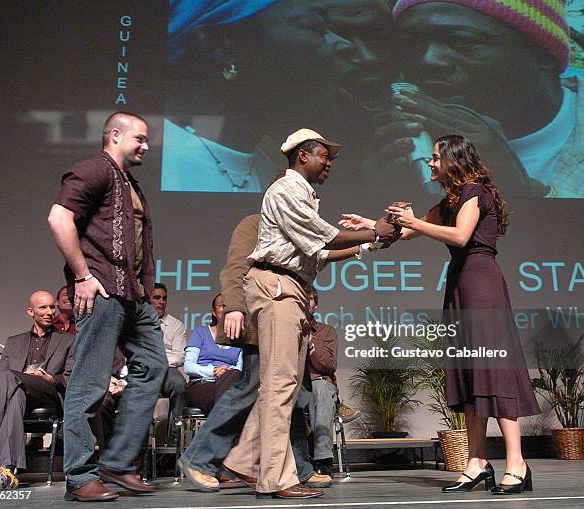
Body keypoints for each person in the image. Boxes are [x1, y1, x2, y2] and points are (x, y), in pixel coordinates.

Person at [341, 134, 541, 494]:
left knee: (493, 370)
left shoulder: (474, 191)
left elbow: (462, 236)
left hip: (481, 284)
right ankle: (477, 461)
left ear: (454, 159)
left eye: (434, 157)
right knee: (469, 372)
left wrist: (415, 223)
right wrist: (371, 225)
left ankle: (517, 463)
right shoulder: (451, 199)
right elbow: (407, 232)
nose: (430, 163)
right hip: (461, 284)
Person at [221, 128, 400, 499]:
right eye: (324, 156)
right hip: (277, 288)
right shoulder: (287, 189)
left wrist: (370, 243)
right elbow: (325, 238)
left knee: (281, 382)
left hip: (291, 289)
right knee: (281, 384)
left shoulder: (304, 193)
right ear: (303, 155)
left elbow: (318, 253)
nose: (329, 163)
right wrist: (372, 230)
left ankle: (242, 461)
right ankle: (276, 478)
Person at [178, 210, 353, 492]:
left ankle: (300, 467)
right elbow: (236, 267)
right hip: (262, 320)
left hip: (290, 321)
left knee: (295, 393)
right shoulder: (256, 224)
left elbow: (318, 256)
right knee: (250, 387)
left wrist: (367, 244)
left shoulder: (295, 228)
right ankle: (200, 459)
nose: (311, 203)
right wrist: (233, 306)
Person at [48, 111, 168, 502]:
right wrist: (82, 276)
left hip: (133, 295)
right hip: (102, 292)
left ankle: (116, 462)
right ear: (115, 135)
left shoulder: (128, 181)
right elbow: (59, 217)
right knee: (91, 382)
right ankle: (80, 477)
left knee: (154, 365)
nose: (146, 146)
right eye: (140, 139)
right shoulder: (94, 170)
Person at [162, 0, 399, 192]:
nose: (344, 44)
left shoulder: (268, 168)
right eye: (315, 27)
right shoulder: (164, 164)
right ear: (218, 45)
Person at [368, 0, 581, 198]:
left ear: (543, 55)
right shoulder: (400, 142)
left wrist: (518, 193)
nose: (428, 60)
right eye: (411, 46)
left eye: (464, 42)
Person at [0, 291, 73, 491]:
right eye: (42, 307)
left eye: (52, 307)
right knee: (14, 393)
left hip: (48, 394)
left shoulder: (67, 340)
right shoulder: (14, 341)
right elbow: (1, 379)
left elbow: (71, 378)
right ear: (30, 311)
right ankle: (7, 472)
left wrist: (51, 378)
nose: (49, 312)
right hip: (20, 392)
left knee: (10, 377)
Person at [184, 294, 243, 415]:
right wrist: (213, 371)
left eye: (229, 306)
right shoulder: (200, 332)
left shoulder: (240, 339)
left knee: (234, 378)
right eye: (222, 306)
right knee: (221, 397)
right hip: (203, 383)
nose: (226, 309)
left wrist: (226, 372)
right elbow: (188, 366)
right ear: (214, 312)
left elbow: (240, 368)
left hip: (230, 384)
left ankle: (215, 429)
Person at [307, 288, 339, 478]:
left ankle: (322, 459)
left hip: (318, 381)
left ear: (315, 305)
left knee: (319, 388)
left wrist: (312, 347)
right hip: (291, 384)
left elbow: (329, 366)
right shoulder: (284, 331)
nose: (305, 302)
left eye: (309, 299)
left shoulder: (326, 331)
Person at [149, 283, 187, 423]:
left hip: (167, 369)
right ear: (148, 300)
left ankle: (174, 429)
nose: (161, 302)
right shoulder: (136, 322)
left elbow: (179, 356)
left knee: (178, 383)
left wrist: (158, 361)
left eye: (164, 298)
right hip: (142, 367)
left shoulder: (176, 325)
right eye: (157, 298)